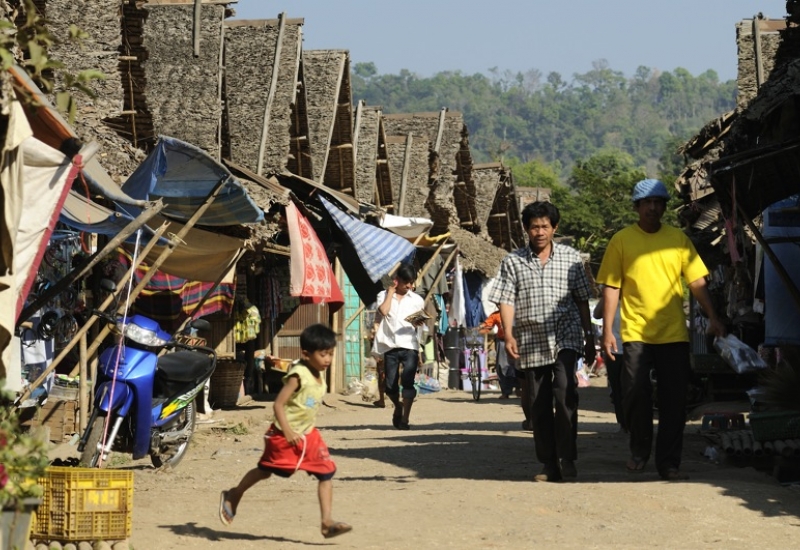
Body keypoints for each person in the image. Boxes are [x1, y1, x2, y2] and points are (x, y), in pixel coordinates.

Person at [596, 178, 726, 481]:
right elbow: (612, 286)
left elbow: (697, 282)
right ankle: (639, 451)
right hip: (636, 333)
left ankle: (668, 461)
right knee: (635, 394)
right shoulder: (622, 240)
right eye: (647, 203)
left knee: (674, 400)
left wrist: (714, 317)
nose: (653, 208)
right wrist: (607, 331)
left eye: (658, 203)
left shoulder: (679, 240)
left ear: (664, 207)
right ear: (638, 207)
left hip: (673, 334)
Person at [489, 201, 595, 482]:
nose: (539, 231)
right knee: (538, 402)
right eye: (534, 226)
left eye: (545, 226)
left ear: (554, 228)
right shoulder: (513, 261)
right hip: (531, 337)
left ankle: (568, 458)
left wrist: (589, 335)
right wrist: (508, 334)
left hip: (566, 334)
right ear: (526, 229)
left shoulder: (571, 259)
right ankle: (549, 464)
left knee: (564, 392)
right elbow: (506, 300)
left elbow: (582, 299)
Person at [218, 323, 352, 539]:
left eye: (330, 354)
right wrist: (288, 431)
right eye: (323, 354)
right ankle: (234, 494)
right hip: (283, 435)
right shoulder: (298, 375)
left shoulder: (319, 374)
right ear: (306, 354)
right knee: (265, 470)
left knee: (325, 473)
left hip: (309, 436)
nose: (327, 359)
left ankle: (327, 522)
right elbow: (278, 404)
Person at [373, 263, 426, 430]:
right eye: (407, 282)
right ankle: (398, 406)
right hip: (390, 346)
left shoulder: (417, 300)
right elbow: (383, 311)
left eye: (412, 282)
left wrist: (419, 326)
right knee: (390, 386)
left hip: (410, 345)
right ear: (397, 280)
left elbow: (420, 326)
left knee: (408, 383)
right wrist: (390, 292)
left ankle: (405, 420)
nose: (410, 286)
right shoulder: (383, 295)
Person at [592, 288, 625, 432]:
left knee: (632, 387)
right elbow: (597, 314)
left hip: (634, 347)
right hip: (614, 350)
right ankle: (623, 423)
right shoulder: (611, 299)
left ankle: (633, 422)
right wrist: (608, 294)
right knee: (617, 388)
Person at [480, 308, 518, 399]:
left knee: (518, 366)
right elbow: (487, 326)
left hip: (517, 341)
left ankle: (519, 388)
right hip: (502, 342)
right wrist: (478, 329)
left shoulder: (516, 312)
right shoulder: (496, 315)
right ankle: (506, 392)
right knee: (502, 366)